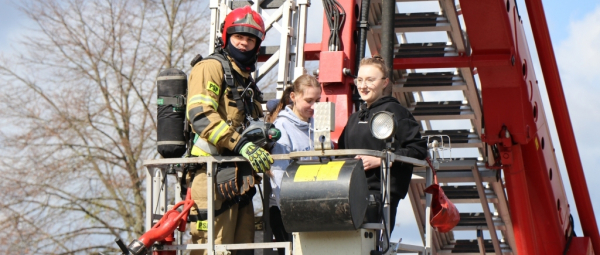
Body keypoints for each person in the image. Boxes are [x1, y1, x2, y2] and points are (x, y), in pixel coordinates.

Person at [186, 6, 273, 255]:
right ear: (226, 37)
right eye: (238, 37)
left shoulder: (247, 82)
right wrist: (240, 144)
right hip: (210, 176)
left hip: (240, 181)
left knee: (242, 251)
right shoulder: (210, 68)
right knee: (212, 250)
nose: (244, 44)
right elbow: (201, 116)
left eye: (250, 39)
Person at [338, 56, 427, 233]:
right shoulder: (355, 118)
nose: (363, 86)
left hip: (380, 194)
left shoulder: (396, 112)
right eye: (360, 80)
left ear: (385, 82)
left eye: (370, 80)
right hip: (347, 193)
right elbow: (341, 153)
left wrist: (381, 160)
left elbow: (418, 150)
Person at [268, 74, 322, 255]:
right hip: (287, 210)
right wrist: (290, 210)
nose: (314, 106)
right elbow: (278, 173)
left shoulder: (318, 127)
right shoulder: (281, 128)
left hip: (312, 208)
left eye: (318, 100)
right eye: (309, 100)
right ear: (293, 97)